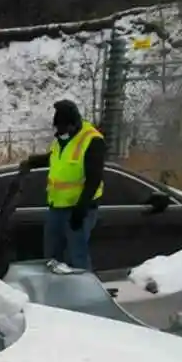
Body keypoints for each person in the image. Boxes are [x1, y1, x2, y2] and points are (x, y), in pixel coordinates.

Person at [25, 99, 105, 271]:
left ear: (74, 124)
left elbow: (94, 179)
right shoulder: (60, 139)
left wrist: (81, 208)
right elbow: (56, 159)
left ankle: (83, 294)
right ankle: (53, 292)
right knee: (51, 256)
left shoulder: (92, 140)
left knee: (76, 256)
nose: (60, 132)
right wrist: (33, 162)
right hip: (57, 206)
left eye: (64, 128)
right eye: (58, 128)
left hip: (79, 208)